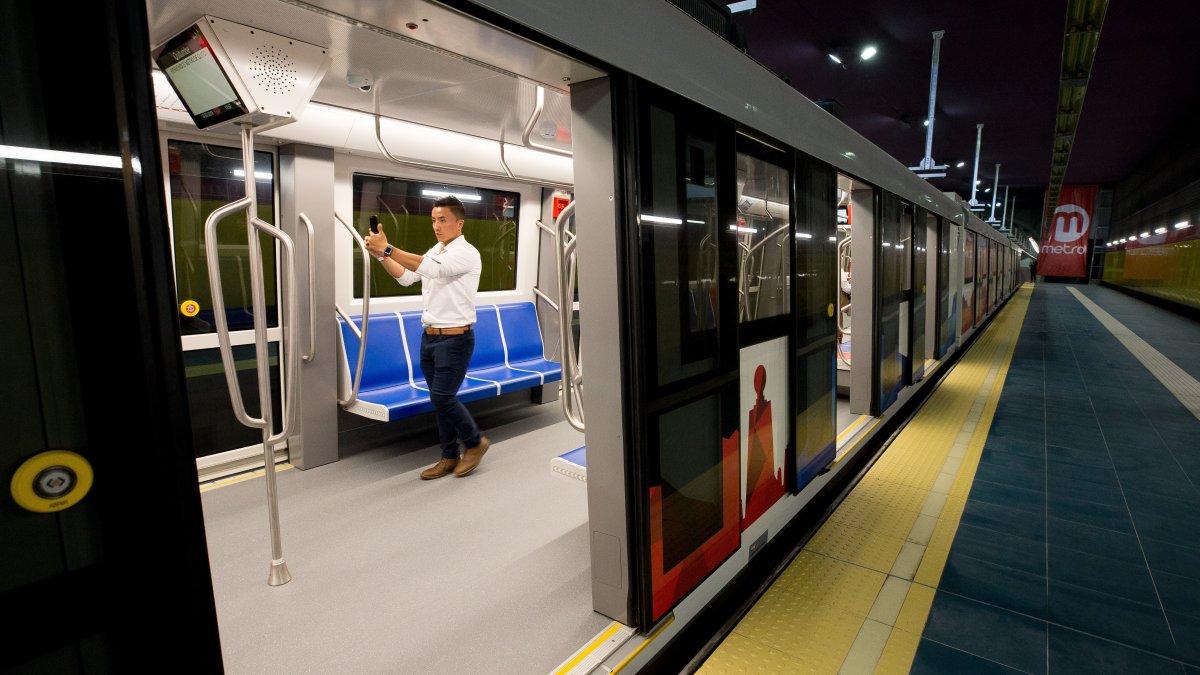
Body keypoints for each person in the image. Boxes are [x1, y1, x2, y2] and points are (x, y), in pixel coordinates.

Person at [364, 195, 490, 479]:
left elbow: (433, 269)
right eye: (433, 220)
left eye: (443, 220)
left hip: (455, 340)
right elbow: (406, 277)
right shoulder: (436, 250)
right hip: (430, 337)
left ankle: (474, 442)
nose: (436, 226)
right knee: (439, 400)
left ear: (460, 223)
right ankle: (449, 456)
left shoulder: (466, 253)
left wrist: (388, 248)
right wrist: (382, 255)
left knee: (443, 398)